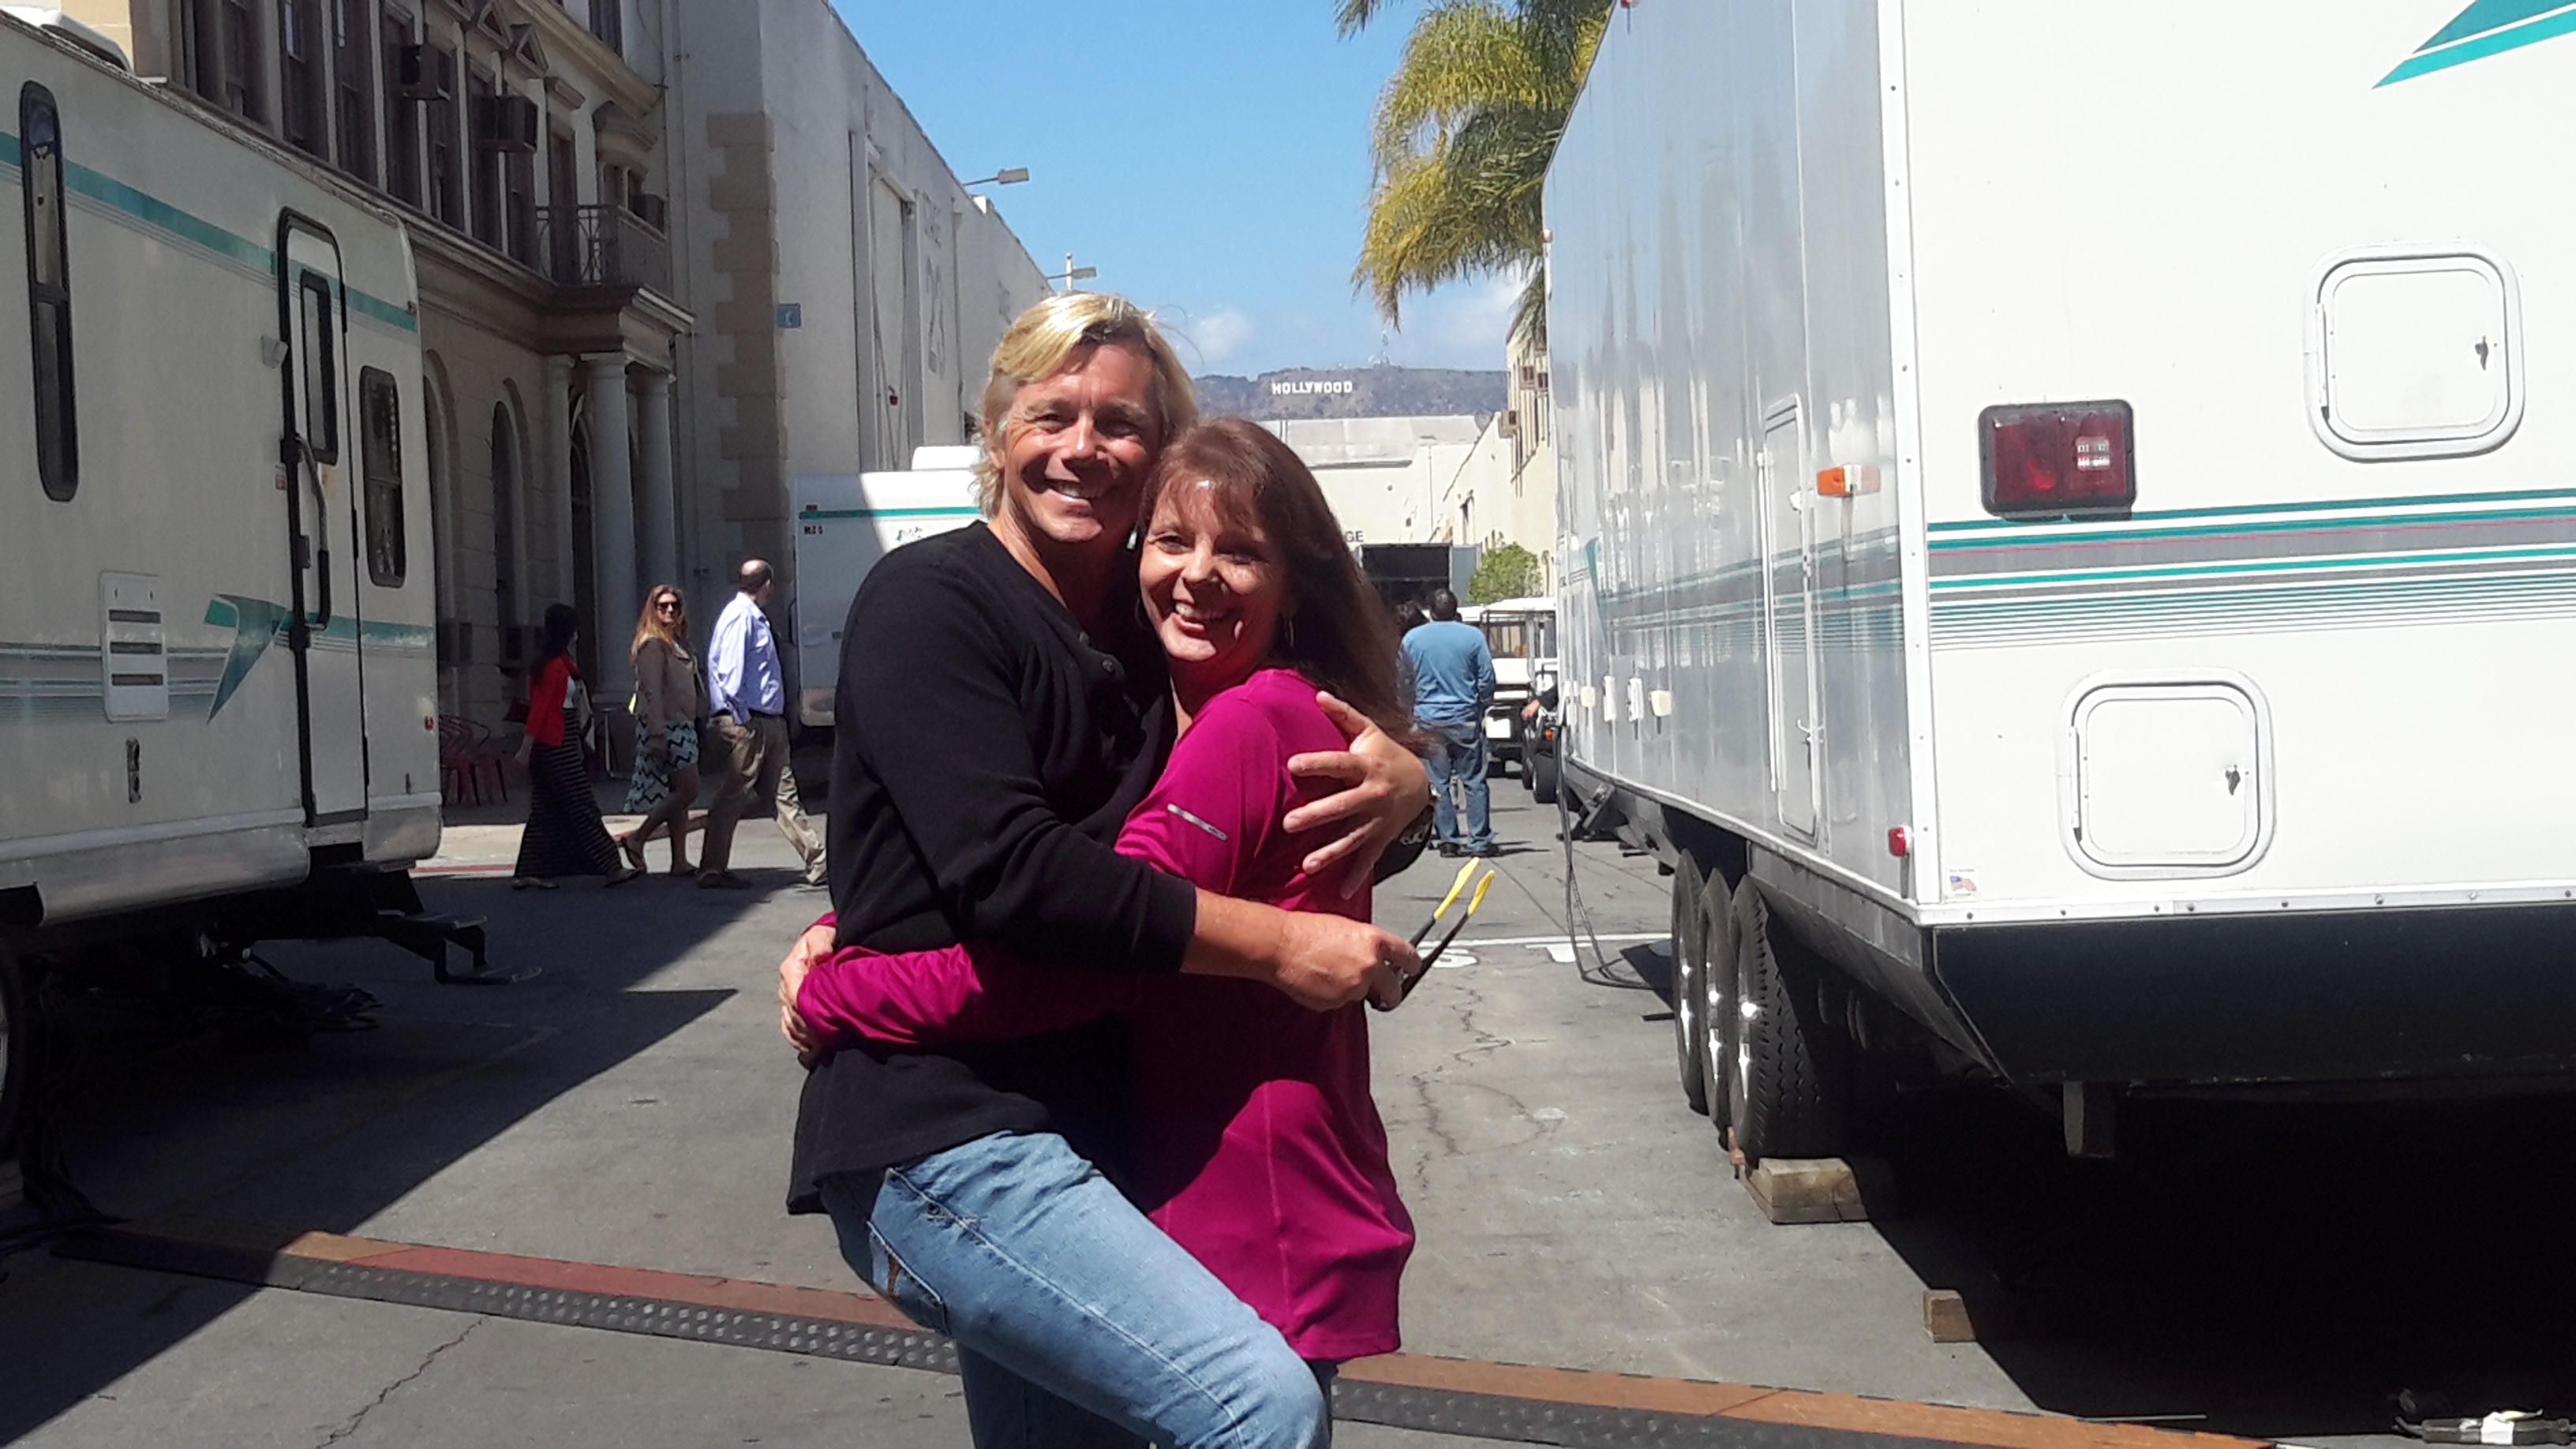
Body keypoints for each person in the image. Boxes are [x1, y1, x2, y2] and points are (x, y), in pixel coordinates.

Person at [773, 291, 1429, 1449]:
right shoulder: (932, 605)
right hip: (952, 1138)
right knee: (1259, 1409)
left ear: (1157, 452)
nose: (1083, 448)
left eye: (1120, 424)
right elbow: (1019, 883)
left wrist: (1405, 792)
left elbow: (1253, 808)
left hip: (1090, 1144)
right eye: (1052, 414)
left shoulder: (1143, 642)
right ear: (996, 431)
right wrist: (1282, 948)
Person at [698, 559, 826, 890]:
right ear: (767, 583)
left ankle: (818, 860)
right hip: (750, 721)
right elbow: (729, 673)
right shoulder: (740, 617)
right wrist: (740, 719)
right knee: (733, 794)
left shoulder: (754, 617)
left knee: (784, 794)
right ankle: (712, 867)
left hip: (769, 721)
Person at [510, 603, 642, 889]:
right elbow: (541, 710)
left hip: (560, 742)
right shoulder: (556, 667)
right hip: (556, 746)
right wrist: (525, 748)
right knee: (582, 806)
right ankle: (610, 866)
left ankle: (529, 871)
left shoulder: (557, 665)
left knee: (546, 810)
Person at [1401, 589, 1496, 858]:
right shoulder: (1473, 637)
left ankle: (1448, 840)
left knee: (1438, 783)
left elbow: (1404, 681)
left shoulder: (1412, 639)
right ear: (1455, 609)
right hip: (1464, 717)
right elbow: (1486, 678)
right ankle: (1479, 840)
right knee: (1475, 781)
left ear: (1431, 611)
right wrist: (1480, 705)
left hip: (1428, 719)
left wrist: (1409, 711)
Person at [620, 584, 706, 876]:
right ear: (652, 610)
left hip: (685, 722)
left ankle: (679, 860)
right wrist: (657, 733)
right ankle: (638, 837)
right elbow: (652, 691)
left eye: (675, 606)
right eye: (663, 606)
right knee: (689, 789)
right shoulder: (652, 644)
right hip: (666, 725)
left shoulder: (678, 642)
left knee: (678, 791)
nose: (670, 611)